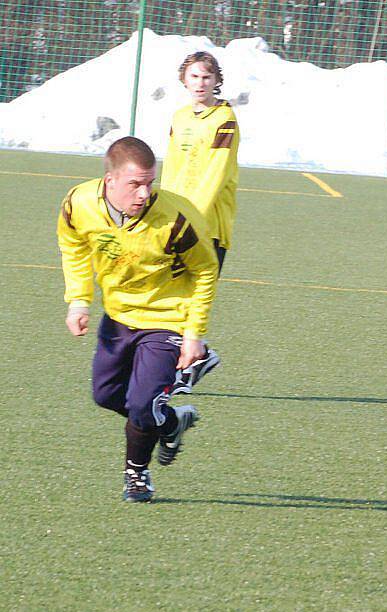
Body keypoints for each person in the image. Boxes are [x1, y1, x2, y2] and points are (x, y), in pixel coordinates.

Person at [57, 136, 219, 503]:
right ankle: (172, 422)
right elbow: (74, 245)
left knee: (144, 405)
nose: (145, 193)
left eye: (150, 182)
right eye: (135, 184)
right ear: (109, 180)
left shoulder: (177, 218)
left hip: (167, 319)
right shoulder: (78, 203)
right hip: (118, 317)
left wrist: (193, 333)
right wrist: (79, 301)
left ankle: (137, 474)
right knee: (106, 396)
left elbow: (206, 270)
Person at [160, 50, 240, 394]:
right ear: (184, 80)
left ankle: (194, 357)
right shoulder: (179, 118)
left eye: (206, 77)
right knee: (172, 295)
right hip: (176, 220)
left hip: (208, 224)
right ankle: (195, 358)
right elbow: (172, 167)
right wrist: (161, 209)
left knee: (196, 294)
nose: (200, 83)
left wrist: (193, 219)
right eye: (194, 77)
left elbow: (216, 174)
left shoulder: (225, 119)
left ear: (216, 81)